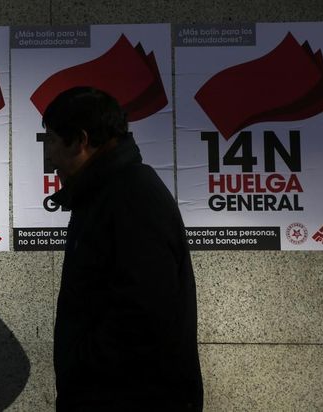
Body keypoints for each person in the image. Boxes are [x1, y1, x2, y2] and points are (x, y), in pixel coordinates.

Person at [43, 87, 203, 411]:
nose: (48, 157)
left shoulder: (132, 195)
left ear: (80, 140)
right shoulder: (101, 194)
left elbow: (143, 310)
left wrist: (83, 367)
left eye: (51, 141)